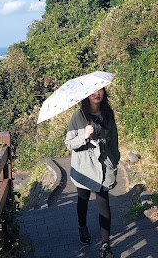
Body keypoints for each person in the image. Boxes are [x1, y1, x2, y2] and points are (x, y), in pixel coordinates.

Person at [65, 86, 120, 258]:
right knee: (83, 199)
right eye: (92, 91)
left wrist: (115, 160)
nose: (97, 93)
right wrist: (84, 135)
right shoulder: (78, 116)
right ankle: (83, 228)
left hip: (103, 163)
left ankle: (105, 245)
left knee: (104, 203)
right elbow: (69, 143)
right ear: (86, 95)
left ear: (104, 92)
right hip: (84, 166)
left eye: (100, 90)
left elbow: (114, 141)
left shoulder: (108, 114)